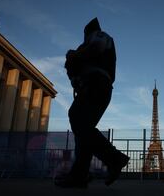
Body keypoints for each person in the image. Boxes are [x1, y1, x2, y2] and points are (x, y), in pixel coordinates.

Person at [55, 17, 129, 188]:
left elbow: (96, 47)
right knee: (84, 131)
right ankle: (79, 176)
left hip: (96, 83)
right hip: (96, 85)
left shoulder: (99, 36)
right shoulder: (91, 43)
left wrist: (74, 55)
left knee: (79, 121)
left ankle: (114, 159)